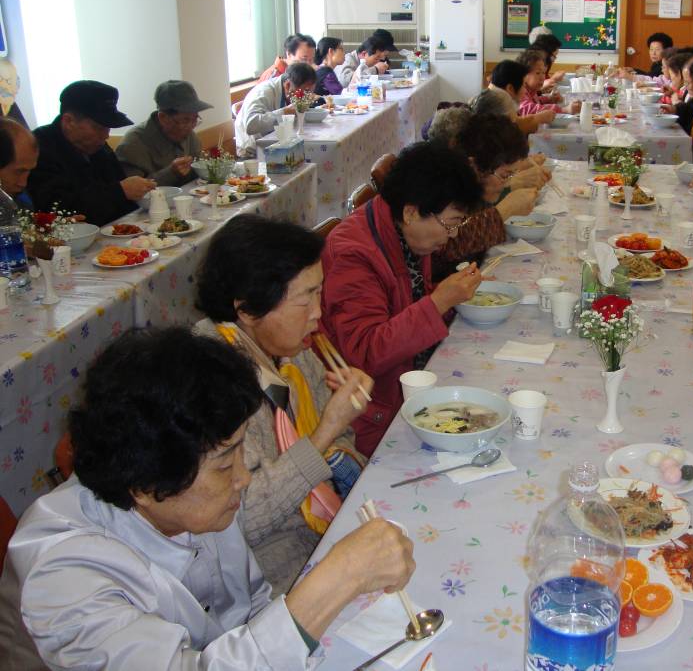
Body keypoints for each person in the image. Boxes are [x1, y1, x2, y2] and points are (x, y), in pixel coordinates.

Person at [0, 327, 415, 671]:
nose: (242, 479)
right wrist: (336, 578)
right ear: (143, 486)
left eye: (238, 452)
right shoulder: (63, 576)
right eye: (223, 464)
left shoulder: (193, 501)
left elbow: (249, 606)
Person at [194, 214, 372, 592]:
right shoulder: (207, 382)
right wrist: (325, 432)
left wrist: (342, 422)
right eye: (305, 298)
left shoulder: (289, 351)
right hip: (270, 573)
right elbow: (241, 516)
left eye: (319, 292)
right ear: (246, 309)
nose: (318, 313)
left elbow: (345, 446)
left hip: (327, 525)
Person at [320, 141, 484, 457]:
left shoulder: (403, 231)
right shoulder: (353, 253)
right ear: (411, 212)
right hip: (372, 412)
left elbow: (406, 301)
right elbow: (365, 353)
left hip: (407, 384)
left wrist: (450, 297)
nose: (452, 236)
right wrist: (439, 302)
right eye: (451, 224)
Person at [29, 80, 156, 225]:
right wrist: (120, 192)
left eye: (108, 128)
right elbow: (59, 210)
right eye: (98, 128)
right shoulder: (39, 150)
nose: (106, 135)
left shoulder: (97, 146)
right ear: (69, 121)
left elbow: (120, 191)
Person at [432, 114, 537, 279]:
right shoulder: (444, 189)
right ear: (473, 166)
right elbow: (446, 247)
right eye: (505, 175)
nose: (508, 182)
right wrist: (504, 211)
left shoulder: (471, 187)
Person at [115, 80, 213, 186]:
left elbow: (200, 176)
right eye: (185, 120)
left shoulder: (189, 135)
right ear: (163, 118)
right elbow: (135, 194)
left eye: (195, 119)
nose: (191, 127)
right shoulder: (132, 146)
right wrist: (171, 173)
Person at [234, 62, 317, 157]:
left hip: (277, 147)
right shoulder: (264, 91)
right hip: (252, 153)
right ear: (288, 85)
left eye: (311, 92)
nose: (307, 96)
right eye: (305, 91)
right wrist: (284, 112)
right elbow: (251, 124)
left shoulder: (288, 91)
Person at [488, 61, 554, 133]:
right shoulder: (500, 102)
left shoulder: (493, 93)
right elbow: (515, 127)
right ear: (510, 88)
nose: (525, 91)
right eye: (523, 85)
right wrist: (539, 118)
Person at [518, 49, 579, 117]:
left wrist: (549, 99)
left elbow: (536, 101)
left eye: (543, 73)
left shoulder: (531, 90)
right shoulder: (520, 91)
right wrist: (564, 110)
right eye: (538, 73)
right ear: (524, 74)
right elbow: (528, 109)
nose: (542, 78)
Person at [0, 118, 39, 209]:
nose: (23, 183)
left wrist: (60, 223)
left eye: (29, 172)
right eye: (18, 172)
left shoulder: (21, 199)